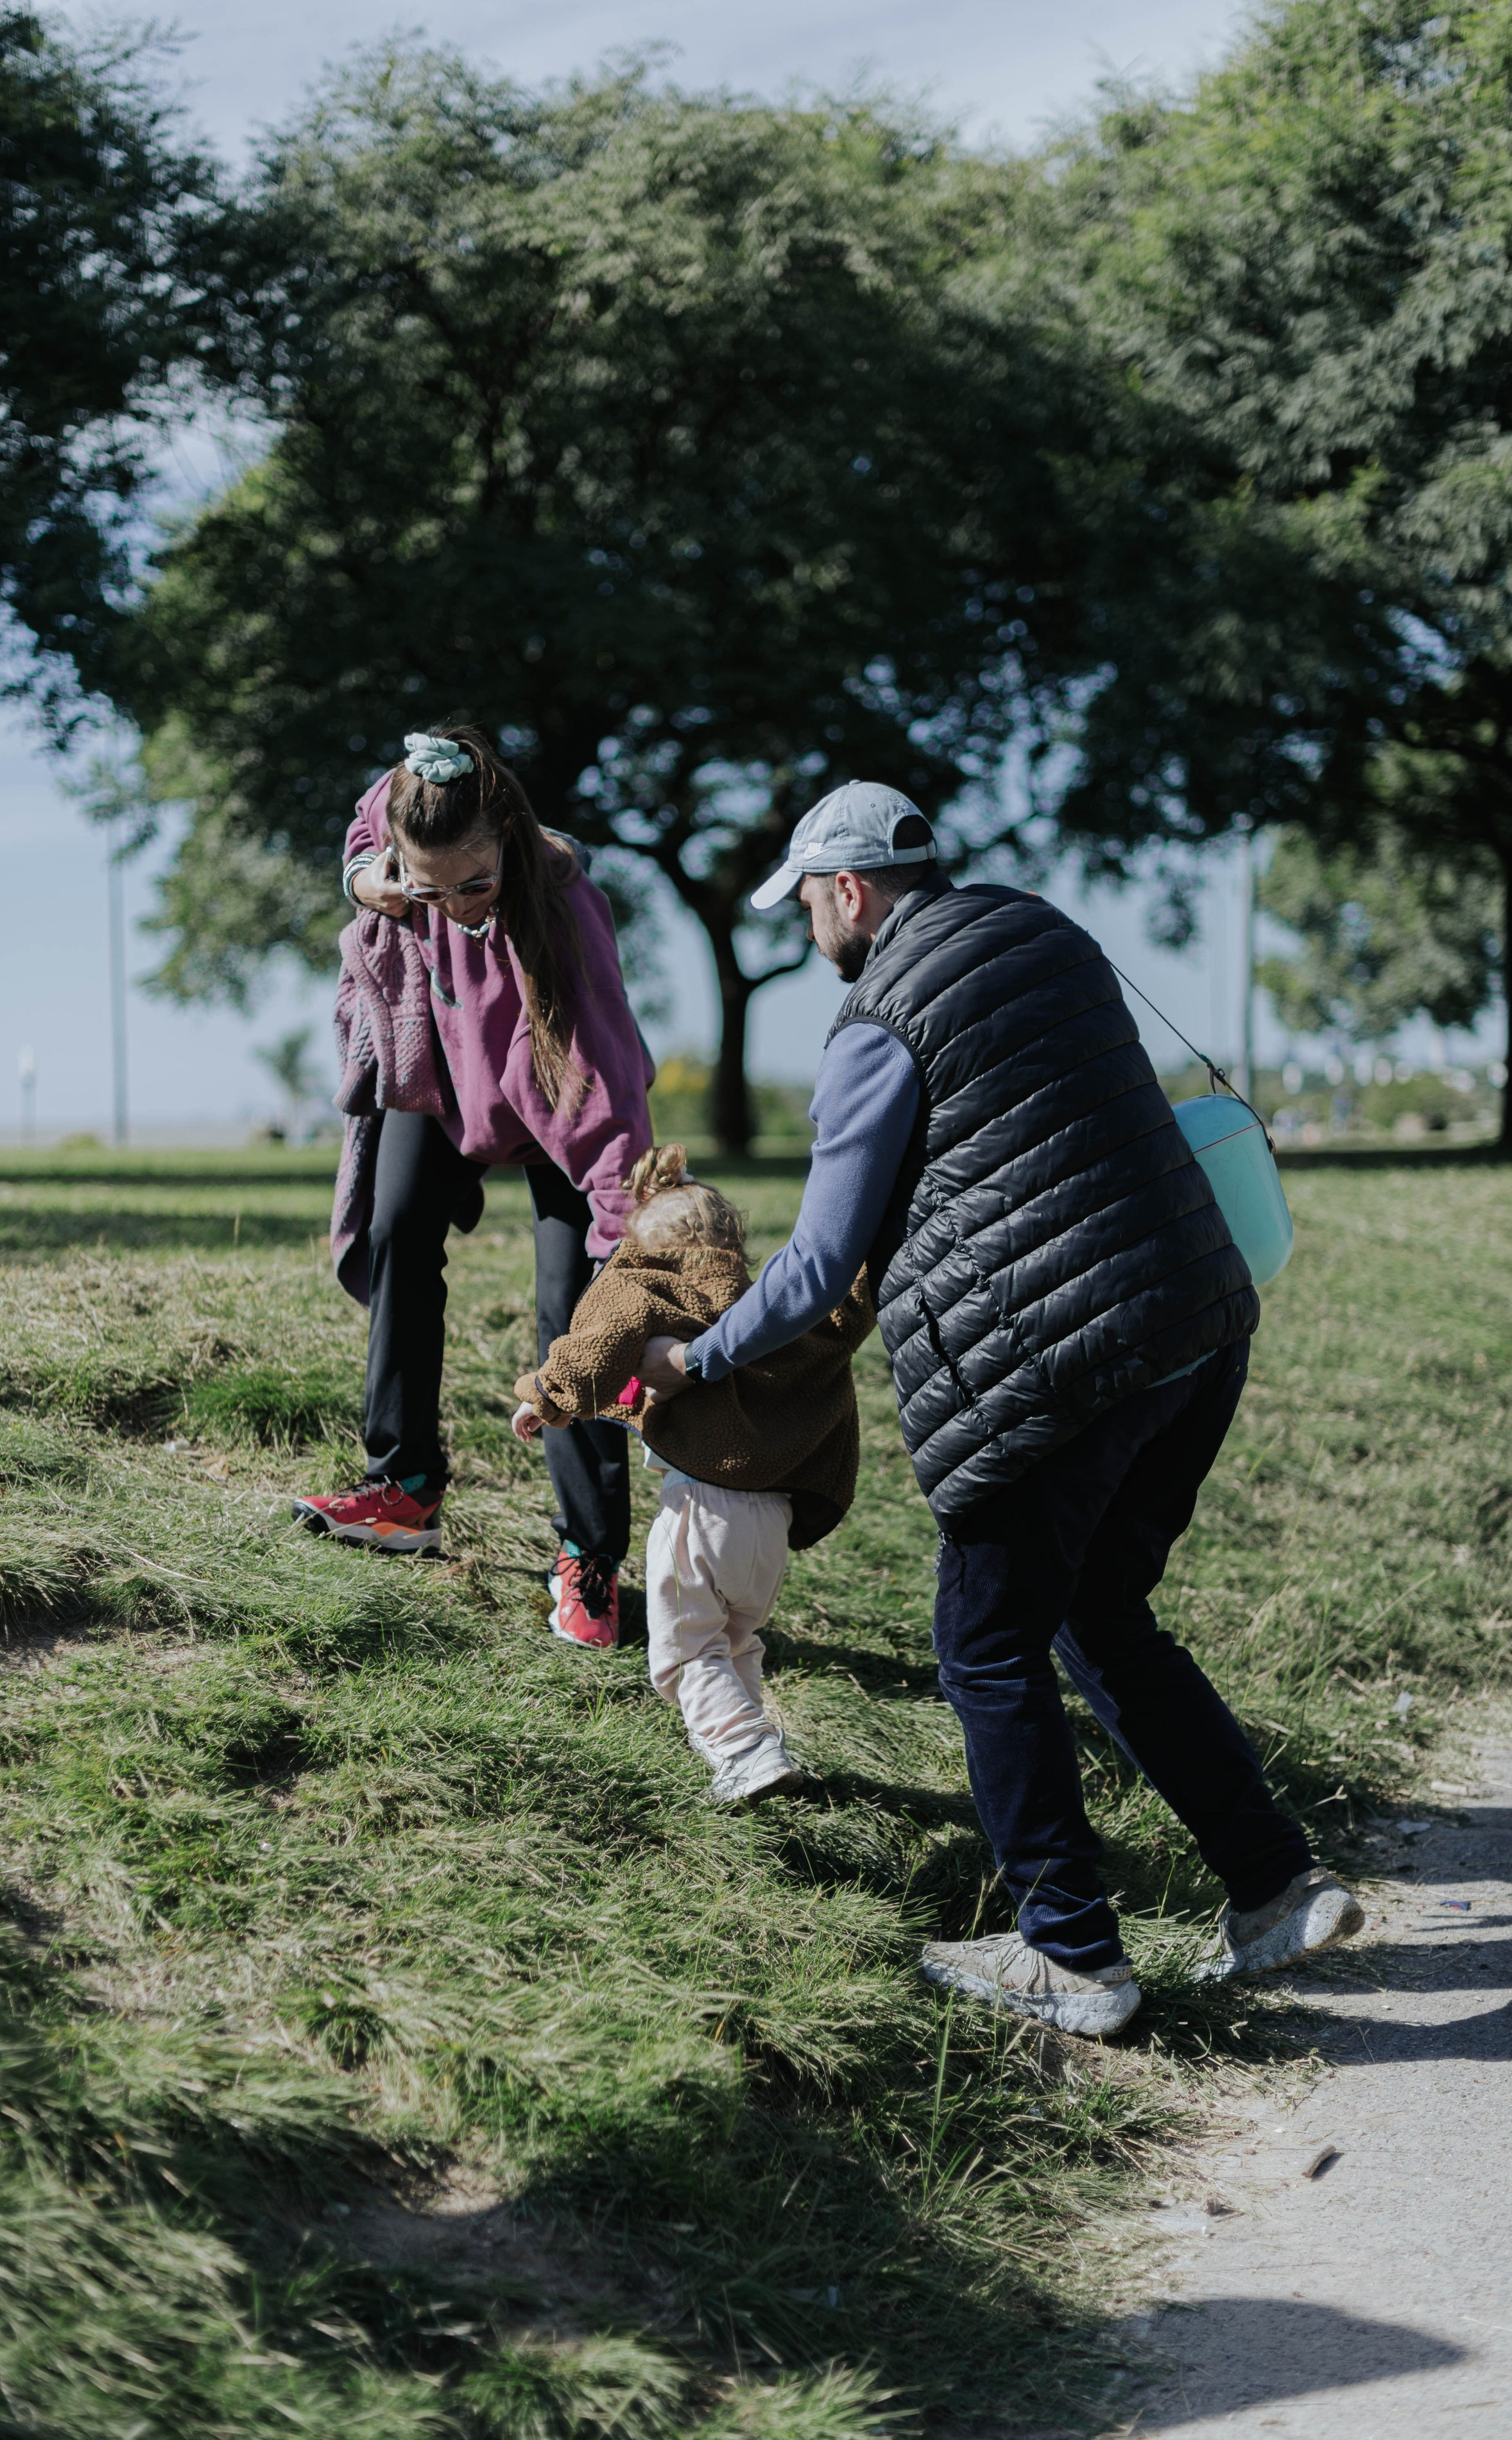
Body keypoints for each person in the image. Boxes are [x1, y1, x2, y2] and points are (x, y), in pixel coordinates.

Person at [639, 781, 1362, 2038]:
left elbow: (814, 1266)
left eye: (807, 903)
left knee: (983, 1642)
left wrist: (695, 1360)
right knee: (1099, 1611)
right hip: (1194, 1321)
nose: (809, 929)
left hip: (1053, 1369)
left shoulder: (874, 1025)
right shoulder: (1047, 937)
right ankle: (1273, 1888)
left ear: (850, 893)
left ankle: (1069, 1951)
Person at [295, 727, 653, 1649]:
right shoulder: (405, 832)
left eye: (474, 884)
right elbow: (366, 832)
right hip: (447, 1081)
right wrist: (371, 884)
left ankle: (590, 1555)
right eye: (429, 887)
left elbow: (608, 1103)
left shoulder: (563, 920)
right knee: (397, 1228)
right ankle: (403, 1488)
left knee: (573, 1311)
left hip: (559, 1100)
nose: (451, 906)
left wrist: (626, 1259)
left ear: (510, 841)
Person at [510, 1144, 874, 1797]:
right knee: (735, 1641)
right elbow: (847, 1307)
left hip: (701, 1510)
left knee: (684, 1653)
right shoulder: (775, 1309)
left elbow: (594, 1344)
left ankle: (745, 1752)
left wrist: (545, 1396)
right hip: (772, 1520)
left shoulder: (643, 1284)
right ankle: (756, 1748)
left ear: (644, 1243)